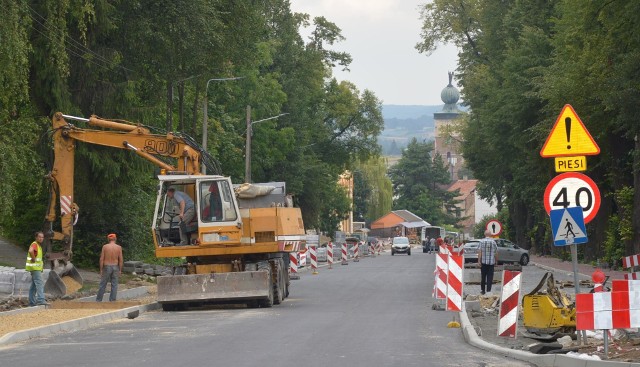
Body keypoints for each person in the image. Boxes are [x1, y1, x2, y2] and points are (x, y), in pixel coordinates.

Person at [96, 233, 123, 302]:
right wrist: (120, 270)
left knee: (103, 285)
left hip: (107, 266)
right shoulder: (118, 247)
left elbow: (101, 259)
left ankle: (98, 301)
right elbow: (121, 260)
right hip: (115, 266)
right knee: (114, 285)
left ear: (108, 239)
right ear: (115, 239)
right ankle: (112, 301)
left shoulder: (105, 247)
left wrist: (101, 269)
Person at [26, 231, 47, 306]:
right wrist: (34, 259)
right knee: (40, 283)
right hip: (35, 268)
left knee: (34, 285)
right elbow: (31, 251)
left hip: (35, 268)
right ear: (36, 237)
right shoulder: (35, 244)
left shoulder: (38, 245)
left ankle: (32, 302)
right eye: (39, 237)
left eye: (42, 237)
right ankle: (41, 300)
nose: (41, 238)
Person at [477, 229, 498, 295]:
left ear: (484, 234)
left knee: (483, 277)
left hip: (483, 263)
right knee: (490, 277)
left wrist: (479, 261)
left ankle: (483, 290)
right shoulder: (493, 242)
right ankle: (488, 291)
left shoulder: (481, 241)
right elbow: (496, 252)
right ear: (490, 234)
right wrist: (496, 261)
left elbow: (479, 251)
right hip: (491, 263)